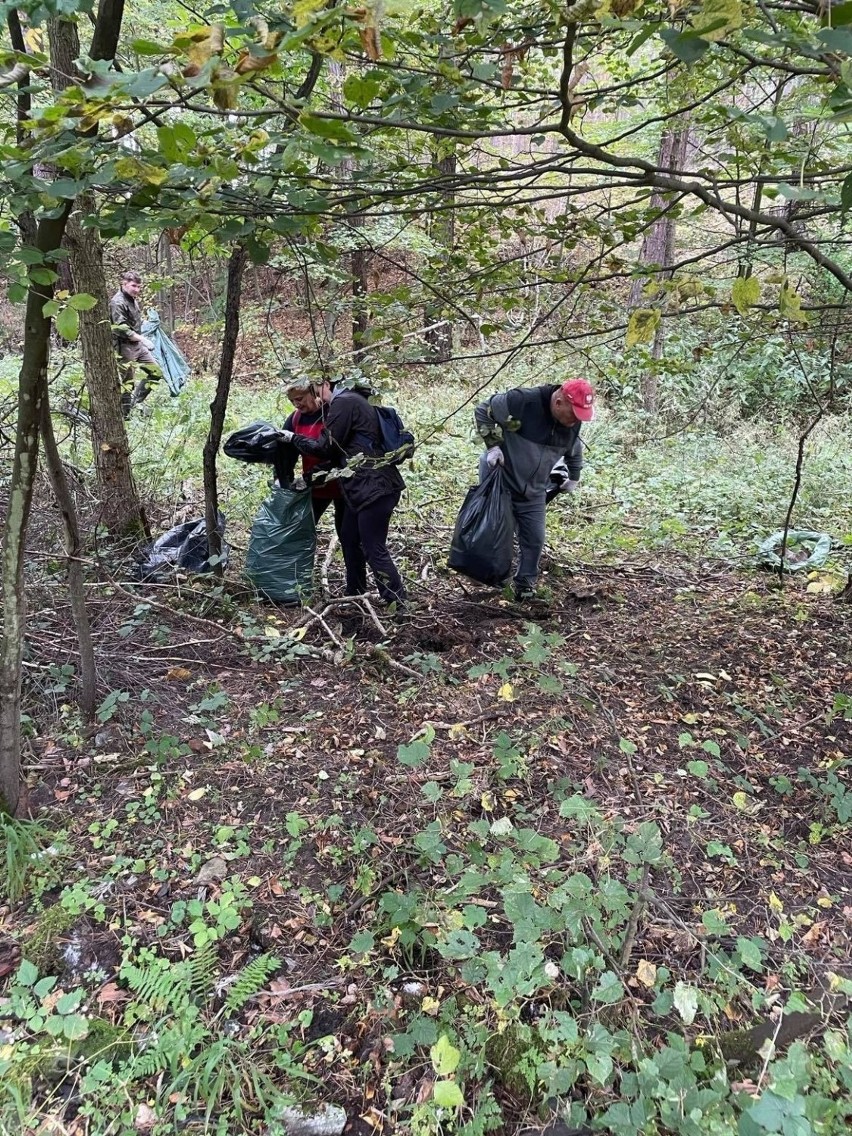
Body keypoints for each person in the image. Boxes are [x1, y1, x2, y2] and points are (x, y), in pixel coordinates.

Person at [280, 376, 407, 606]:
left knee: (373, 548)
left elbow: (326, 448)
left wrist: (293, 439)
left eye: (315, 388)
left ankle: (397, 603)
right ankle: (355, 593)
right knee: (349, 537)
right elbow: (338, 456)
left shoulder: (344, 402)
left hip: (374, 488)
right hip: (361, 489)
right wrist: (305, 479)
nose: (316, 394)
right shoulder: (352, 401)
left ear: (326, 384)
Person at [474, 378, 595, 601]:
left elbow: (574, 449)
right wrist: (492, 446)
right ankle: (493, 578)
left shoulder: (572, 420)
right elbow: (484, 409)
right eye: (575, 414)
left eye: (581, 415)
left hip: (535, 489)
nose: (577, 421)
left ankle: (524, 586)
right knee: (500, 533)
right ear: (558, 402)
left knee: (535, 538)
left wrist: (574, 477)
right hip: (502, 482)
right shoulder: (523, 401)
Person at [274, 377, 344, 538]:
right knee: (300, 531)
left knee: (348, 536)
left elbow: (335, 453)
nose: (297, 405)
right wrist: (281, 479)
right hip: (315, 488)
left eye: (299, 399)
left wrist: (309, 478)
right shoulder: (295, 419)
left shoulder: (334, 413)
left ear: (313, 392)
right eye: (292, 401)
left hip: (343, 487)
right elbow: (286, 454)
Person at [109, 270, 162, 416]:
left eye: (139, 287)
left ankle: (134, 403)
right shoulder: (117, 302)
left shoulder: (133, 298)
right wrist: (143, 339)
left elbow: (134, 322)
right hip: (124, 346)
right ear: (124, 284)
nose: (137, 290)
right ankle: (124, 416)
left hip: (138, 345)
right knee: (128, 383)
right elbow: (122, 329)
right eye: (134, 286)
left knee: (156, 373)